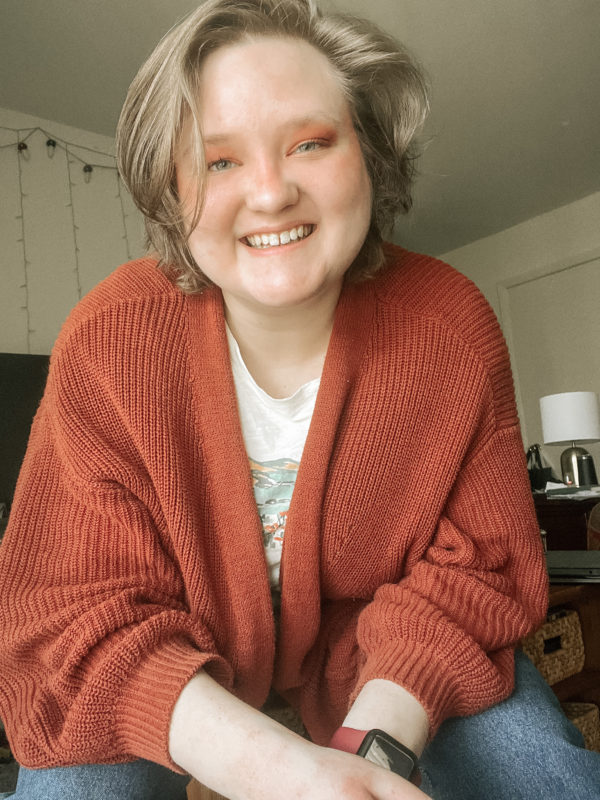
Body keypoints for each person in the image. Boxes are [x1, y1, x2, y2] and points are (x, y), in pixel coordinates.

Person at [0, 1, 599, 798]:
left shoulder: (451, 327)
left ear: (371, 157)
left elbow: (478, 570)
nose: (272, 192)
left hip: (381, 654)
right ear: (172, 191)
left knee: (549, 775)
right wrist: (268, 767)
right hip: (155, 661)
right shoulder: (106, 342)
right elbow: (67, 609)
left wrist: (373, 753)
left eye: (310, 143)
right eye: (218, 163)